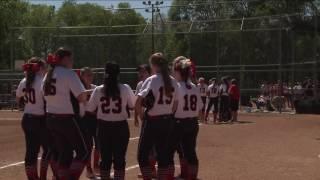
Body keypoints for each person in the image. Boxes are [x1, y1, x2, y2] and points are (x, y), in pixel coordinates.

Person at [42, 47, 89, 180]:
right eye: (71, 58)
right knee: (84, 152)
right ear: (65, 59)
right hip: (66, 119)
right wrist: (88, 95)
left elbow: (43, 95)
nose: (72, 61)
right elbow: (81, 97)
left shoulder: (48, 74)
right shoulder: (68, 73)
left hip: (50, 118)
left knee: (66, 152)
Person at [86, 62, 136, 180]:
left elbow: (90, 108)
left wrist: (102, 113)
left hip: (104, 127)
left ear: (105, 74)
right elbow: (132, 105)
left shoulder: (98, 89)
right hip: (120, 127)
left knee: (105, 160)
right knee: (119, 160)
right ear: (118, 74)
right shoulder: (125, 88)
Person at [135, 53, 179, 180]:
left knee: (142, 155)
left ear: (153, 65)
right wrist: (168, 113)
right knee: (163, 155)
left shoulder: (152, 79)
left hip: (152, 121)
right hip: (167, 121)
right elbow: (175, 104)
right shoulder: (173, 81)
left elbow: (138, 101)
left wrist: (142, 116)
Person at [16, 58, 50, 180]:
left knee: (31, 152)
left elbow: (18, 98)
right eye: (44, 67)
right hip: (40, 120)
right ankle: (43, 177)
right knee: (49, 149)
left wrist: (26, 104)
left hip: (27, 119)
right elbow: (48, 100)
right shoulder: (42, 81)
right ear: (39, 68)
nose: (46, 70)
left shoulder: (24, 81)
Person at [168, 58, 202, 180]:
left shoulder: (176, 86)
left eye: (174, 71)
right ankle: (191, 177)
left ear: (178, 72)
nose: (172, 73)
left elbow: (173, 107)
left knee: (169, 152)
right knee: (190, 153)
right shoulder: (194, 86)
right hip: (192, 123)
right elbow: (199, 108)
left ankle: (168, 177)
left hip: (178, 123)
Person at [78, 67, 99, 178]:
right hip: (85, 119)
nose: (90, 77)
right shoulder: (79, 89)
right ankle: (88, 169)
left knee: (99, 144)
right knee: (88, 146)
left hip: (96, 119)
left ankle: (96, 166)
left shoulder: (95, 88)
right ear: (82, 76)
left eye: (91, 75)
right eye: (87, 75)